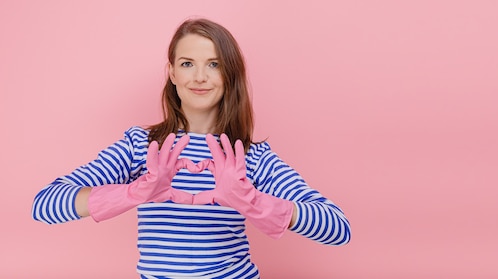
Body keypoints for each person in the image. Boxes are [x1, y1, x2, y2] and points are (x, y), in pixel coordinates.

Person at [32, 18, 351, 279]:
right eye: (187, 63)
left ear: (229, 74)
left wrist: (253, 201)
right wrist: (133, 193)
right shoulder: (140, 146)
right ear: (172, 72)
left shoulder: (250, 156)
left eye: (213, 64)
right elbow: (44, 206)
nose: (200, 77)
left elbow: (337, 229)